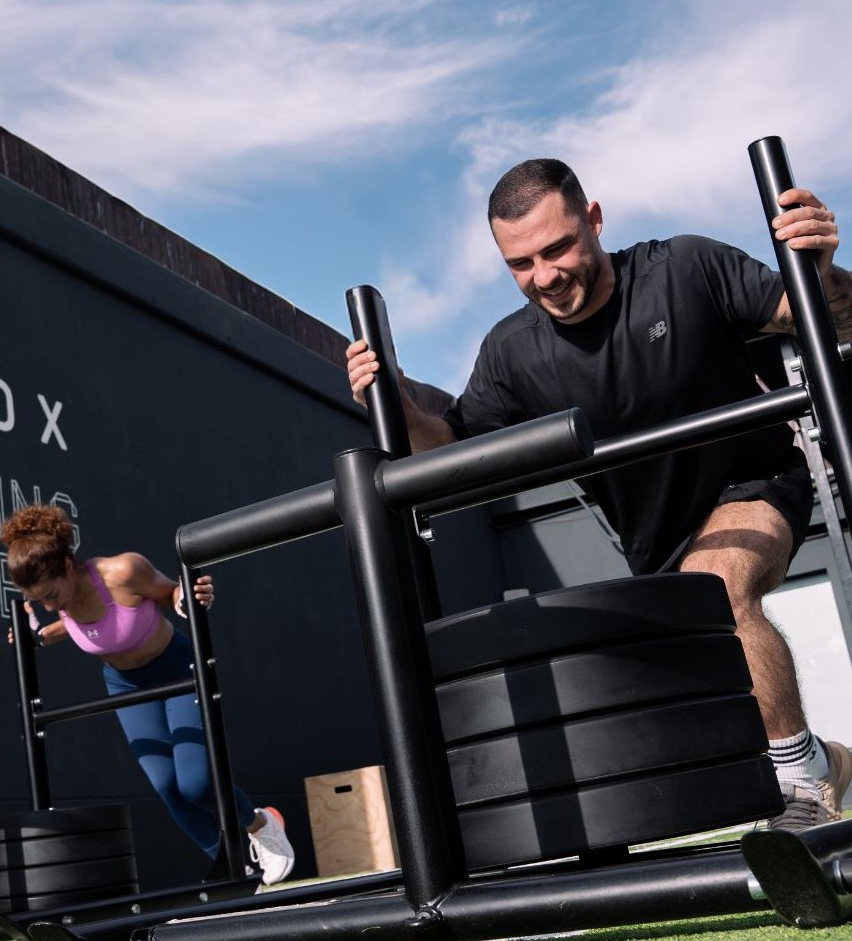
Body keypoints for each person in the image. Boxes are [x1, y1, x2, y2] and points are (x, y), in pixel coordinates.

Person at [346, 158, 852, 832]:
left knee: (719, 586)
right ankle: (830, 759)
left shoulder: (684, 267)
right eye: (522, 264)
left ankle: (802, 783)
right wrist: (397, 402)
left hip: (756, 480)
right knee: (701, 710)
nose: (546, 276)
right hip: (652, 538)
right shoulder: (512, 353)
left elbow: (814, 316)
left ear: (594, 220)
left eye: (558, 248)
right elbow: (448, 453)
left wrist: (817, 268)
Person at [0, 504, 295, 884]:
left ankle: (261, 825)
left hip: (176, 669)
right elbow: (72, 625)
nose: (51, 606)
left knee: (196, 783)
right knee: (169, 789)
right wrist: (37, 635)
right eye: (40, 601)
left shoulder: (122, 572)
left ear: (68, 565)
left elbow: (170, 592)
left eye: (53, 594)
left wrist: (186, 599)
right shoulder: (63, 603)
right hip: (125, 684)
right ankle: (232, 870)